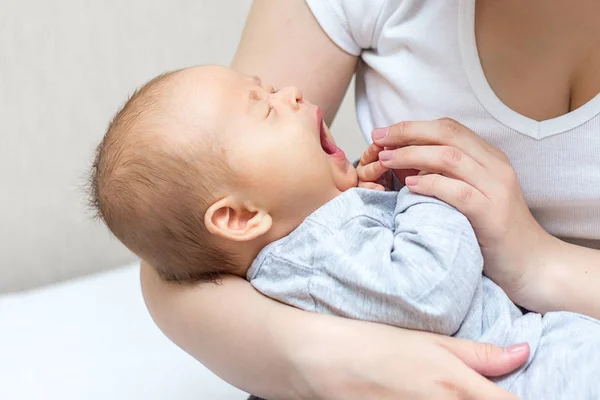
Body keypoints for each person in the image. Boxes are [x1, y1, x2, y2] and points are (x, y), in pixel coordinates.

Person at [140, 1, 600, 399]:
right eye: (265, 105)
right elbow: (176, 247)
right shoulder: (300, 246)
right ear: (239, 219)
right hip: (521, 366)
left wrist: (536, 260)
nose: (292, 93)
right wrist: (331, 362)